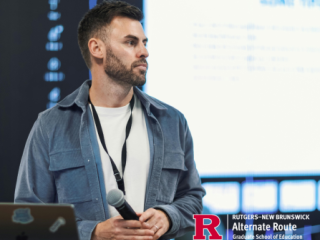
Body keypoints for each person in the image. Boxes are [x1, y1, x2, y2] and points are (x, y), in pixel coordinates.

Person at [14, 1, 205, 240]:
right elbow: (26, 218)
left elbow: (193, 199)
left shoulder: (172, 121)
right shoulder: (50, 126)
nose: (144, 52)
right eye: (130, 42)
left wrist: (168, 216)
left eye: (144, 43)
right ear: (97, 48)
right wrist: (92, 232)